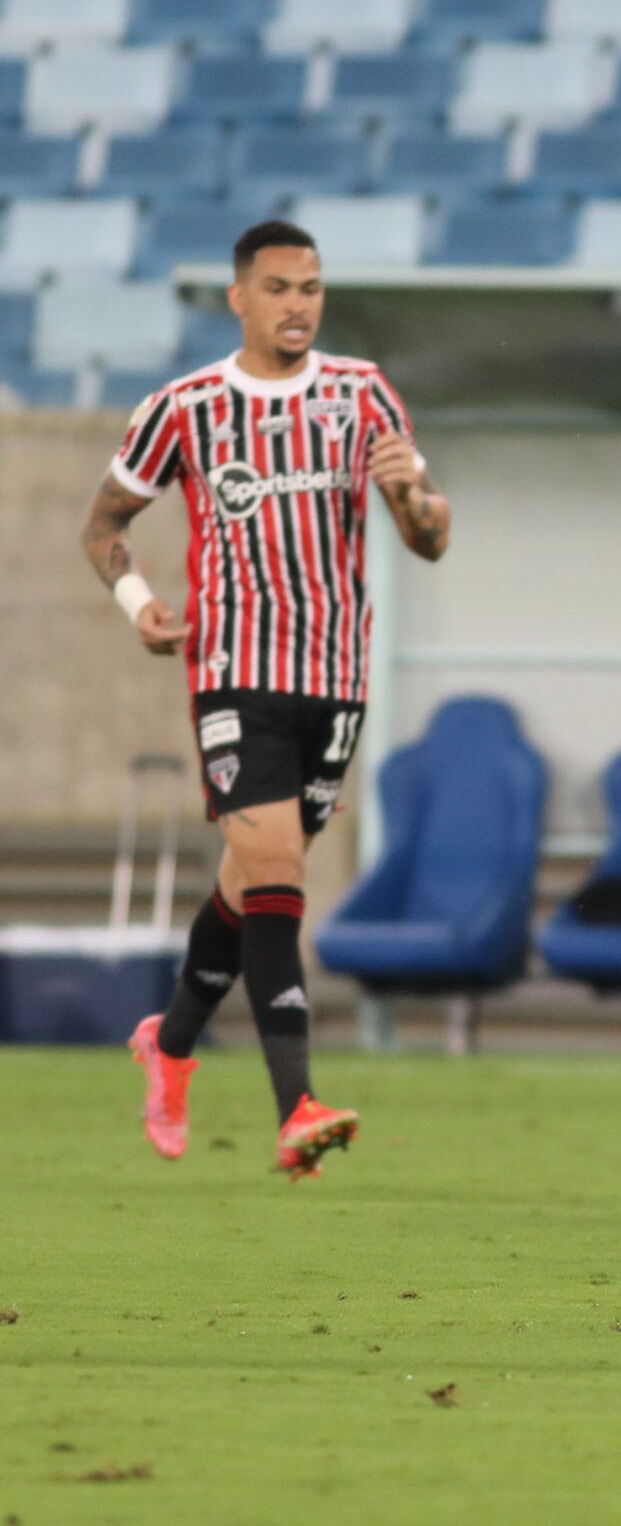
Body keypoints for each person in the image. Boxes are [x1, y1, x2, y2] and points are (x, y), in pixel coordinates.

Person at [97, 219, 451, 1179]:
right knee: (276, 862)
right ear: (240, 298)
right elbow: (106, 525)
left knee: (253, 872)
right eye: (281, 287)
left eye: (312, 287)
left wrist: (413, 498)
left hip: (334, 675)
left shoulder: (360, 392)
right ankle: (297, 1104)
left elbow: (431, 534)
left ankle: (167, 1044)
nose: (299, 304)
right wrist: (139, 603)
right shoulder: (189, 406)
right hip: (232, 668)